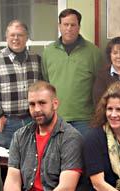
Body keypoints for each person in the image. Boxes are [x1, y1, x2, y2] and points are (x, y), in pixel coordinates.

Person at [0, 19, 41, 149]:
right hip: (6, 123)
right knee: (6, 165)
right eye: (12, 35)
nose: (16, 38)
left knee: (32, 163)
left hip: (32, 120)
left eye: (20, 35)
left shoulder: (36, 60)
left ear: (27, 37)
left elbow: (42, 89)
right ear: (6, 37)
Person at [42, 8, 102, 136]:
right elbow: (46, 83)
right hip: (56, 118)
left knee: (85, 155)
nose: (69, 28)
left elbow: (101, 86)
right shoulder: (49, 52)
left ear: (79, 27)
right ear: (59, 26)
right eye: (65, 24)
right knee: (58, 156)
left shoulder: (93, 52)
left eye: (73, 25)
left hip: (85, 120)